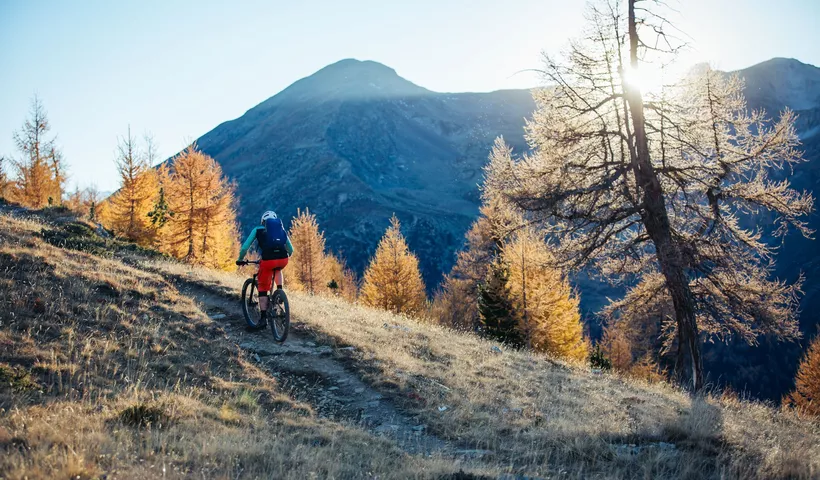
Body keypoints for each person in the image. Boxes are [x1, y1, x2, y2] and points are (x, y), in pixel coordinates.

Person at [236, 210, 294, 332]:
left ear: (263, 221)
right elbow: (291, 249)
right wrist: (285, 254)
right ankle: (279, 292)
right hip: (283, 259)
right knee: (278, 268)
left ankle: (263, 319)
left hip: (267, 260)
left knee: (262, 287)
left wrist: (240, 259)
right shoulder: (280, 228)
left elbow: (245, 247)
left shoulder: (258, 229)